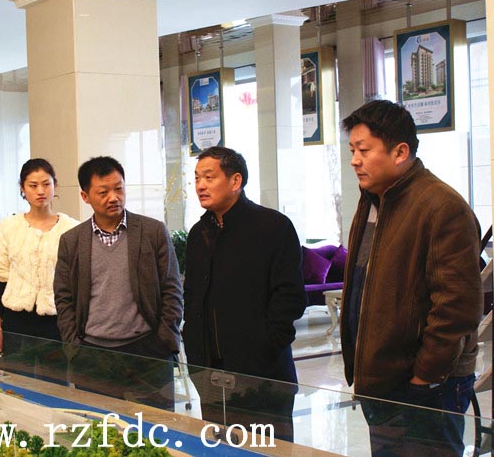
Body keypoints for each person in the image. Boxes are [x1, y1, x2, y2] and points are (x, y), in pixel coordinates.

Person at [341, 100, 483, 456]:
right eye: (352, 150)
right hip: (384, 381)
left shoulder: (441, 207)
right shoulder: (372, 201)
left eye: (364, 150)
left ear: (400, 152)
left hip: (424, 387)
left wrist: (425, 377)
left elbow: (457, 307)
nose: (355, 160)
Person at [183, 146, 306, 442]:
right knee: (219, 448)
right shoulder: (199, 234)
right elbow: (192, 295)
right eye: (197, 178)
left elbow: (289, 297)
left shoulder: (273, 227)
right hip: (210, 374)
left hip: (262, 376)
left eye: (209, 177)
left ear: (235, 181)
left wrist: (264, 345)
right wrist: (193, 348)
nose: (200, 186)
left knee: (267, 449)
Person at [54, 156, 183, 409]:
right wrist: (74, 347)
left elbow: (172, 288)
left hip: (148, 351)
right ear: (85, 196)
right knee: (99, 426)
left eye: (119, 189)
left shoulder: (153, 231)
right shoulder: (71, 241)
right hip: (92, 354)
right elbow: (63, 297)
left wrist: (164, 341)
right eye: (103, 192)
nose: (113, 197)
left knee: (156, 426)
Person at [0, 159, 79, 372]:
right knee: (17, 382)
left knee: (55, 384)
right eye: (33, 185)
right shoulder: (9, 227)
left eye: (46, 184)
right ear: (22, 188)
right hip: (16, 321)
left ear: (55, 185)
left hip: (56, 323)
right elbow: (1, 276)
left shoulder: (71, 229)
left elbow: (77, 280)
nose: (40, 191)